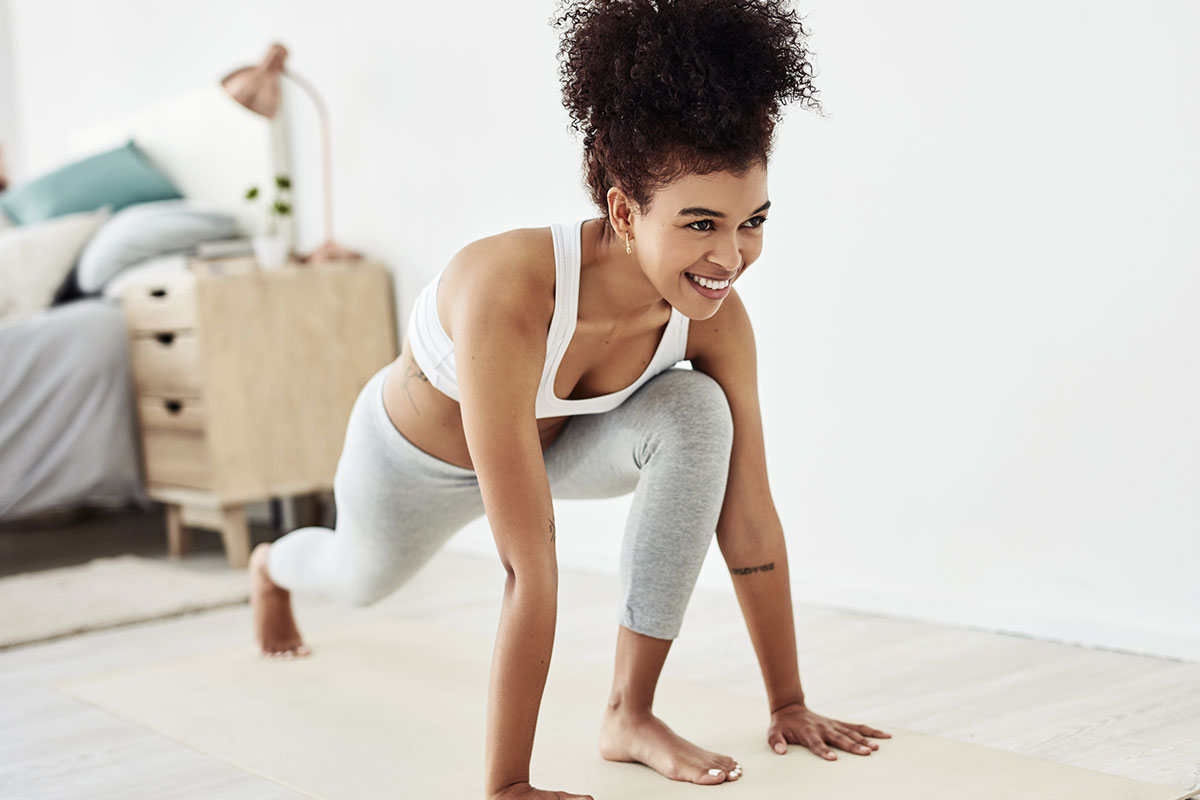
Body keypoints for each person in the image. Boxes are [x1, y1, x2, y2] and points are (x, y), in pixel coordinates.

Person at [250, 0, 891, 797]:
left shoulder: (715, 323)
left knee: (698, 414)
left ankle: (630, 713)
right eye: (700, 224)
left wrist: (789, 702)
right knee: (359, 579)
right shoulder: (509, 289)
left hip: (561, 449)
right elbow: (528, 567)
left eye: (752, 221)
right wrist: (507, 786)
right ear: (624, 210)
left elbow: (750, 513)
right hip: (416, 464)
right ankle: (272, 567)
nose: (731, 256)